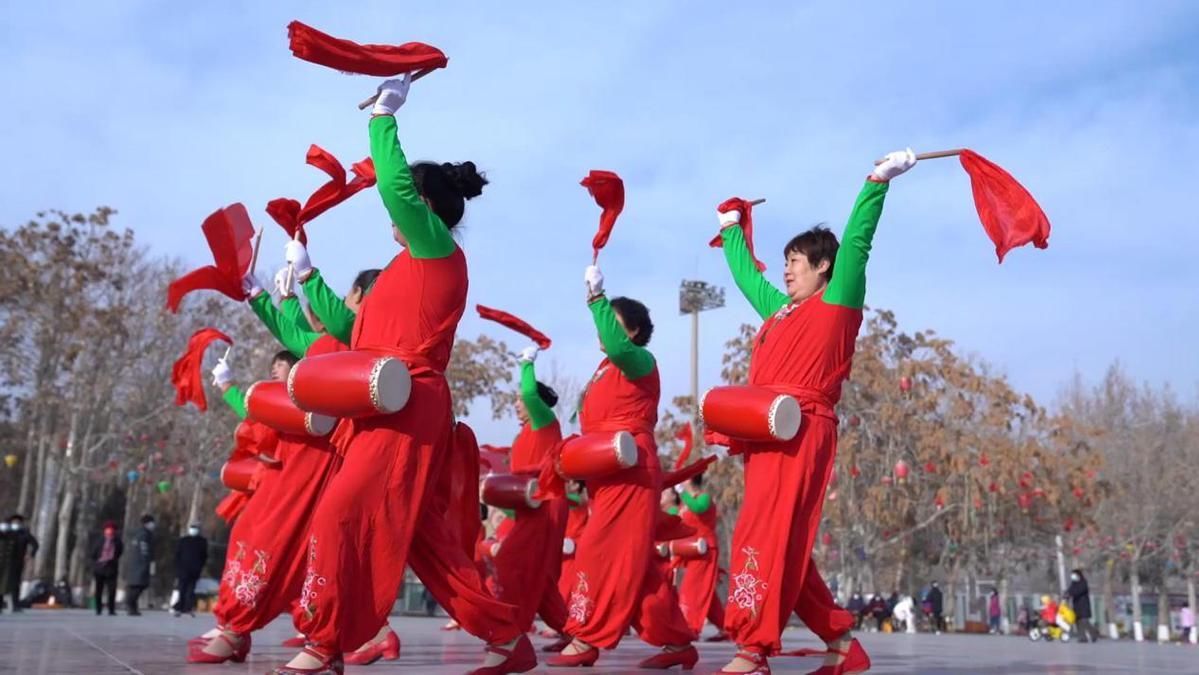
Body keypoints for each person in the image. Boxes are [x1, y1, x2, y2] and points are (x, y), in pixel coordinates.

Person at [278, 75, 530, 675]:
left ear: (427, 208)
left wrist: (384, 119)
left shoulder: (438, 250)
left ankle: (327, 642)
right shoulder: (402, 266)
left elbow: (393, 187)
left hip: (407, 404)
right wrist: (306, 276)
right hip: (378, 401)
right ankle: (506, 638)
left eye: (409, 203)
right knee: (429, 544)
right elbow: (350, 330)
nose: (395, 210)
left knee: (340, 511)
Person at [713, 149, 917, 674]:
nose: (785, 271)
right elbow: (746, 277)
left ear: (822, 266)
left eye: (795, 262)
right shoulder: (779, 312)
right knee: (778, 535)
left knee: (770, 533)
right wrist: (731, 227)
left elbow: (856, 244)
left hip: (802, 428)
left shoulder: (838, 301)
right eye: (784, 262)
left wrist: (876, 183)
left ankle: (753, 650)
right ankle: (841, 643)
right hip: (766, 428)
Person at [547, 269, 697, 670]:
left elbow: (615, 349)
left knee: (599, 551)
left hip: (631, 471)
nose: (604, 328)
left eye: (614, 322)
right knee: (637, 568)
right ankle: (676, 641)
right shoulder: (605, 370)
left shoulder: (639, 362)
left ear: (631, 333)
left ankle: (587, 636)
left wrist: (596, 299)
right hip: (607, 472)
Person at [490, 345, 570, 640]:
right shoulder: (523, 434)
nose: (516, 404)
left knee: (510, 560)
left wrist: (526, 362)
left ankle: (510, 630)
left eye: (519, 400)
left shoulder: (544, 421)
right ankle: (574, 635)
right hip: (531, 505)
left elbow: (530, 393)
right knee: (542, 578)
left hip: (546, 503)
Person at [678, 473, 729, 642]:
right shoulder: (685, 503)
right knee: (706, 593)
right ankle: (725, 627)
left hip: (705, 549)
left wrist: (684, 493)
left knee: (691, 589)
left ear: (691, 480)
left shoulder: (704, 497)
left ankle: (690, 627)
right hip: (692, 550)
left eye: (684, 478)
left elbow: (698, 508)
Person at [4, 514, 38, 612]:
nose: (16, 524)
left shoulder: (24, 533)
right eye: (14, 522)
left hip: (17, 561)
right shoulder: (6, 532)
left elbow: (35, 544)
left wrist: (30, 555)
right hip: (4, 561)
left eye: (18, 522)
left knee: (15, 584)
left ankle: (15, 604)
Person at [173, 523, 208, 617]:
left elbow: (204, 556)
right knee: (182, 589)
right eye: (192, 528)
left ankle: (188, 607)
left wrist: (200, 567)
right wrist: (178, 568)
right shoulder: (183, 540)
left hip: (195, 570)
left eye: (195, 528)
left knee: (191, 590)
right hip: (183, 569)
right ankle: (179, 607)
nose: (194, 530)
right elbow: (177, 555)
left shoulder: (202, 541)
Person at [91, 521, 123, 616]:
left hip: (111, 568)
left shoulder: (117, 541)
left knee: (112, 590)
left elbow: (119, 552)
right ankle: (98, 608)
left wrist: (112, 559)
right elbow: (93, 553)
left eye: (112, 529)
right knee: (99, 590)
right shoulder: (99, 540)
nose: (110, 531)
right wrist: (98, 562)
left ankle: (111, 609)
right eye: (108, 529)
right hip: (99, 568)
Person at [126, 514, 156, 615]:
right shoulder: (144, 534)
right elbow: (144, 550)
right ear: (147, 523)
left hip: (134, 564)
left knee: (135, 586)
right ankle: (130, 605)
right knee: (139, 585)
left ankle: (132, 607)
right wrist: (147, 561)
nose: (153, 525)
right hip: (140, 564)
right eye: (152, 522)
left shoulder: (138, 533)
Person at [1065, 569, 1097, 642]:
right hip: (1076, 605)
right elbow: (1070, 590)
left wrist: (1071, 594)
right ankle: (1082, 637)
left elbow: (1080, 591)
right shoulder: (1074, 583)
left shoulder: (1083, 582)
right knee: (1078, 621)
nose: (1073, 576)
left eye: (1074, 575)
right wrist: (1066, 594)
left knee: (1084, 621)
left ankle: (1094, 633)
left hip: (1083, 605)